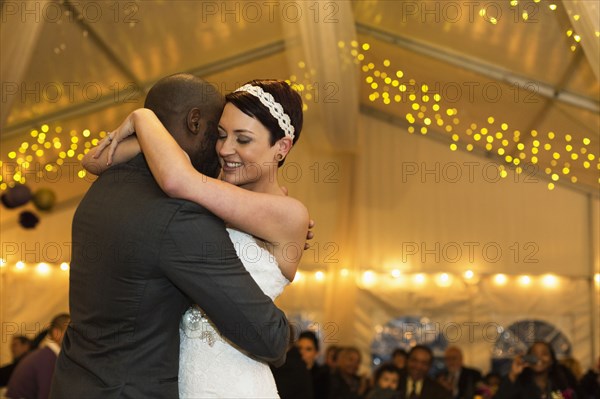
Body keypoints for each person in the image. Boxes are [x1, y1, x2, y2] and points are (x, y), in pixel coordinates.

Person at [50, 74, 294, 398]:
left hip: (73, 383)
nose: (222, 150)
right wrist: (288, 333)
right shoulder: (180, 214)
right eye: (217, 134)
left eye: (239, 138)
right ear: (195, 122)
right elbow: (267, 337)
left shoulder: (105, 187)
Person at [7, 313, 69, 399]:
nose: (74, 337)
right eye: (70, 332)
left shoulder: (45, 355)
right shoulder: (48, 359)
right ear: (56, 333)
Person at [494, 341, 579, 399]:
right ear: (528, 359)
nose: (539, 358)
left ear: (552, 360)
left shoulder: (561, 384)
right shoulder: (519, 384)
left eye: (544, 354)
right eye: (534, 354)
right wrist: (513, 374)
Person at [297, 330, 330, 399]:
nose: (302, 352)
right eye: (299, 348)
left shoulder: (323, 377)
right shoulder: (288, 373)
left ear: (316, 353)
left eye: (308, 349)